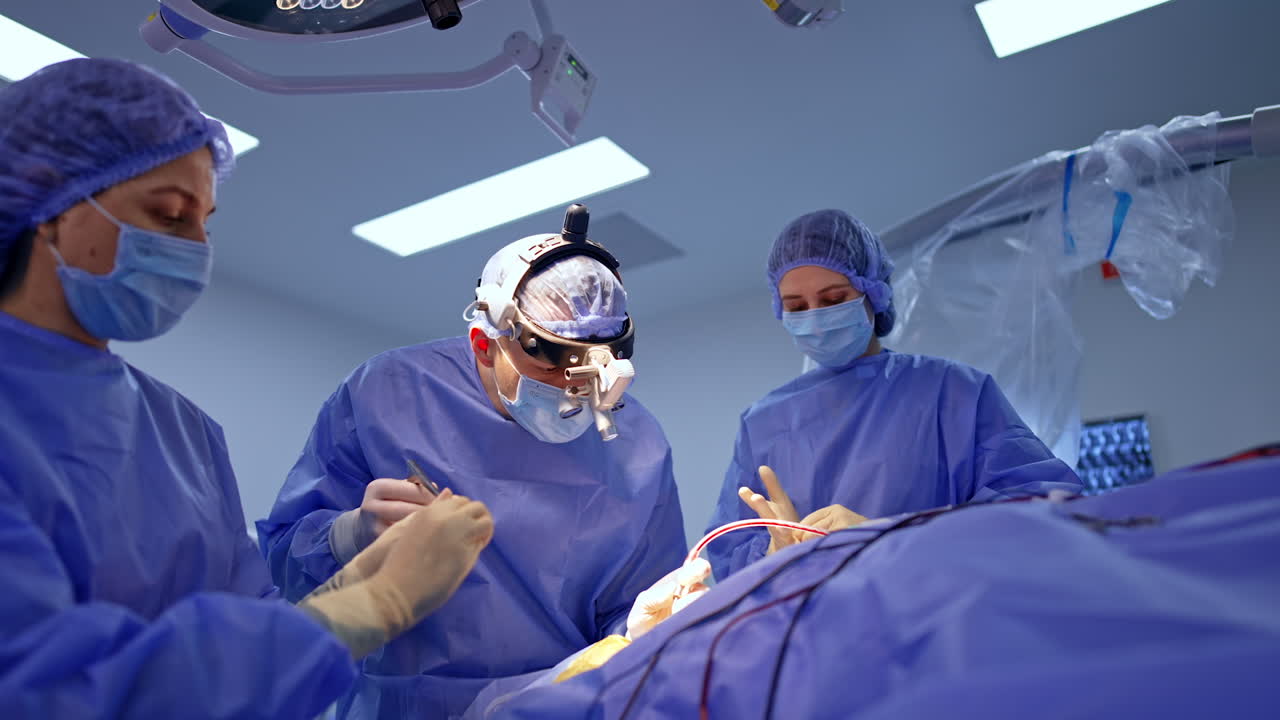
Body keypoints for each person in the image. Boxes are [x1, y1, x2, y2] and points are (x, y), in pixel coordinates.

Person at [0, 58, 493, 719]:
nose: (199, 248)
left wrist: (350, 586)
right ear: (53, 209)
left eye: (206, 220)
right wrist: (373, 605)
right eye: (171, 216)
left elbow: (246, 620)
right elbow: (53, 692)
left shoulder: (185, 432)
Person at [257, 217, 690, 719]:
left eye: (590, 371)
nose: (575, 390)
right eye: (551, 367)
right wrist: (348, 536)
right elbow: (282, 568)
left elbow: (637, 609)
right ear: (485, 344)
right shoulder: (388, 394)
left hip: (557, 705)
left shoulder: (638, 444)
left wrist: (639, 633)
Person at [706, 209, 1082, 579]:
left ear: (873, 292)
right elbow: (726, 552)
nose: (816, 319)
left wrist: (896, 537)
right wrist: (771, 555)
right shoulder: (763, 423)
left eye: (834, 299)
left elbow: (1042, 508)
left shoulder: (953, 392)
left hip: (936, 619)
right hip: (811, 630)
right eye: (797, 307)